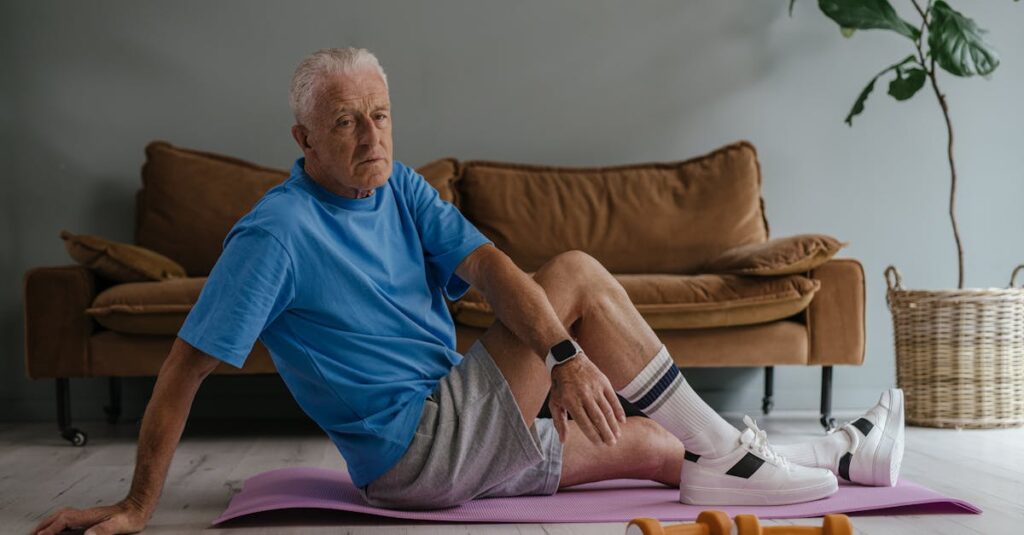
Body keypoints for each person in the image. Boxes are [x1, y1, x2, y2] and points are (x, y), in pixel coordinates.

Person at [33, 48, 905, 535]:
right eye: (344, 121)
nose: (369, 136)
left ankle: (838, 454)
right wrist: (138, 504)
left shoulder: (398, 185)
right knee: (573, 274)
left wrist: (558, 364)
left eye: (379, 114)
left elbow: (488, 268)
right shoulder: (277, 233)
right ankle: (737, 454)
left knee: (651, 444)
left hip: (463, 426)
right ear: (303, 135)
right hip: (419, 448)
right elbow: (183, 366)